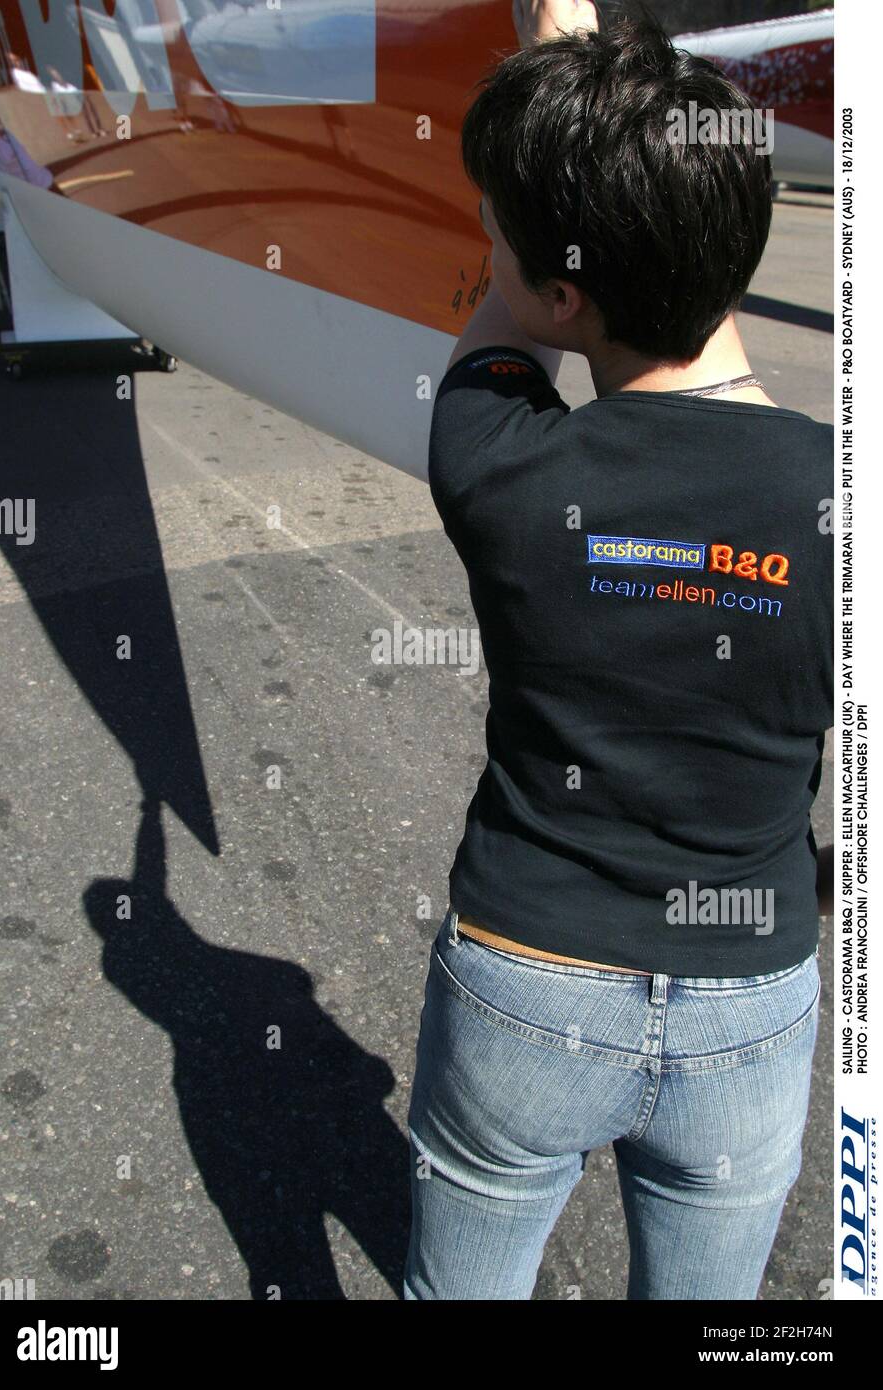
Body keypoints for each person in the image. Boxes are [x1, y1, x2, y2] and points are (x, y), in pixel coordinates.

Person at [404, 1, 833, 1301]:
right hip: (751, 1001)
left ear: (563, 294)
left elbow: (496, 330)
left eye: (500, 231)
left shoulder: (492, 463)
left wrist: (556, 100)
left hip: (525, 981)